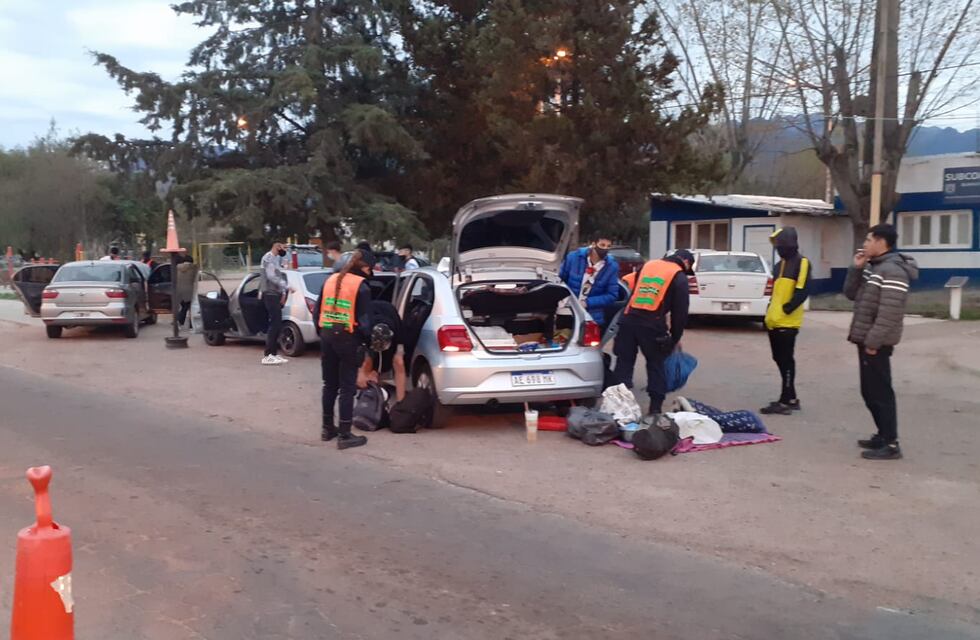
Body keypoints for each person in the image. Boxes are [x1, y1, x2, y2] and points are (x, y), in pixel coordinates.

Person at [844, 223, 918, 461]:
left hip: (877, 342)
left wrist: (873, 342)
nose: (864, 244)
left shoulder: (893, 271)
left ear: (881, 242)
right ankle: (882, 434)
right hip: (865, 338)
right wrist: (856, 269)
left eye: (868, 240)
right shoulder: (874, 268)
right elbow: (851, 294)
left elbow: (889, 313)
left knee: (881, 391)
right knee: (869, 391)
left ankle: (891, 443)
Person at [613, 249, 693, 415]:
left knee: (624, 363)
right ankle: (655, 409)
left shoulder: (648, 265)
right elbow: (680, 313)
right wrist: (674, 338)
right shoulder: (678, 276)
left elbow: (634, 291)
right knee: (656, 365)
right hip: (652, 324)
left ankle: (618, 407)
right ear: (685, 262)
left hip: (628, 320)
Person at [317, 249, 376, 450]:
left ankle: (327, 429)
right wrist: (368, 345)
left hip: (326, 336)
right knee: (347, 388)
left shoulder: (330, 280)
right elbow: (365, 323)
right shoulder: (362, 287)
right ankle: (344, 434)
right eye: (370, 269)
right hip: (348, 339)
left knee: (329, 384)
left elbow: (317, 311)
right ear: (365, 267)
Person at [761, 227, 811, 415]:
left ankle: (786, 400)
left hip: (788, 322)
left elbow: (803, 290)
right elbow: (775, 293)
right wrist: (768, 314)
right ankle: (790, 397)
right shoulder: (778, 265)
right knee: (779, 359)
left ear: (789, 243)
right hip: (773, 321)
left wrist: (787, 309)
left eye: (780, 244)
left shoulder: (802, 263)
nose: (778, 248)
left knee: (786, 360)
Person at [559, 235, 620, 327]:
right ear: (593, 244)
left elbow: (612, 295)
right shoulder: (574, 258)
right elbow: (560, 279)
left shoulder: (612, 267)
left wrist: (587, 303)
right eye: (602, 245)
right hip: (566, 311)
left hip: (592, 316)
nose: (605, 249)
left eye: (608, 246)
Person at [260, 241, 292, 366]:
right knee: (274, 324)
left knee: (277, 324)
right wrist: (287, 286)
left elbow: (281, 274)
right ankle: (268, 355)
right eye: (283, 247)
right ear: (277, 246)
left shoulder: (276, 259)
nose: (284, 250)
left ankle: (273, 353)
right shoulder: (268, 258)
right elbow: (271, 276)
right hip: (270, 294)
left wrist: (283, 293)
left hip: (276, 294)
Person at [175, 254, 199, 327]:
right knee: (189, 307)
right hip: (189, 291)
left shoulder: (177, 267)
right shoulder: (194, 268)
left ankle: (180, 321)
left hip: (178, 291)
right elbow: (196, 279)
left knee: (183, 306)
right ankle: (185, 323)